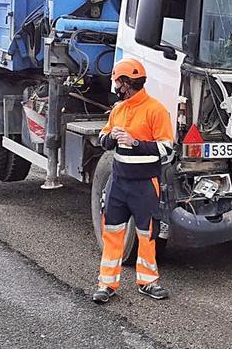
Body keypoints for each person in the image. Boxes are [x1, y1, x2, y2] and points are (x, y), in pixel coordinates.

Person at [93, 58, 173, 304]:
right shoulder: (118, 109)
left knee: (147, 234)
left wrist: (135, 143)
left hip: (144, 185)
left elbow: (167, 150)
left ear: (127, 83)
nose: (115, 86)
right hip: (118, 184)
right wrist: (111, 138)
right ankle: (106, 284)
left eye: (117, 81)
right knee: (112, 232)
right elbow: (103, 136)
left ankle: (148, 282)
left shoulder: (155, 110)